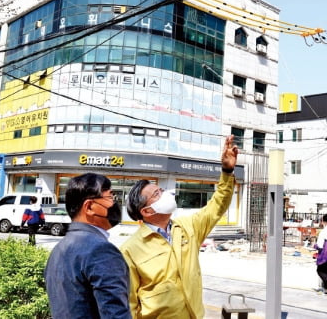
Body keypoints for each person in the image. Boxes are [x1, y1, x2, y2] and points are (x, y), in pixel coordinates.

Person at [120, 135, 238, 318]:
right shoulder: (129, 250)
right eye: (157, 194)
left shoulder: (187, 227)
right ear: (147, 211)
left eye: (161, 189)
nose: (165, 193)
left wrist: (227, 171)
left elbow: (217, 205)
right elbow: (129, 305)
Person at [44, 173, 131, 319]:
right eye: (110, 197)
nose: (115, 203)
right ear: (90, 207)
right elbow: (115, 314)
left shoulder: (59, 248)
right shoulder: (101, 250)